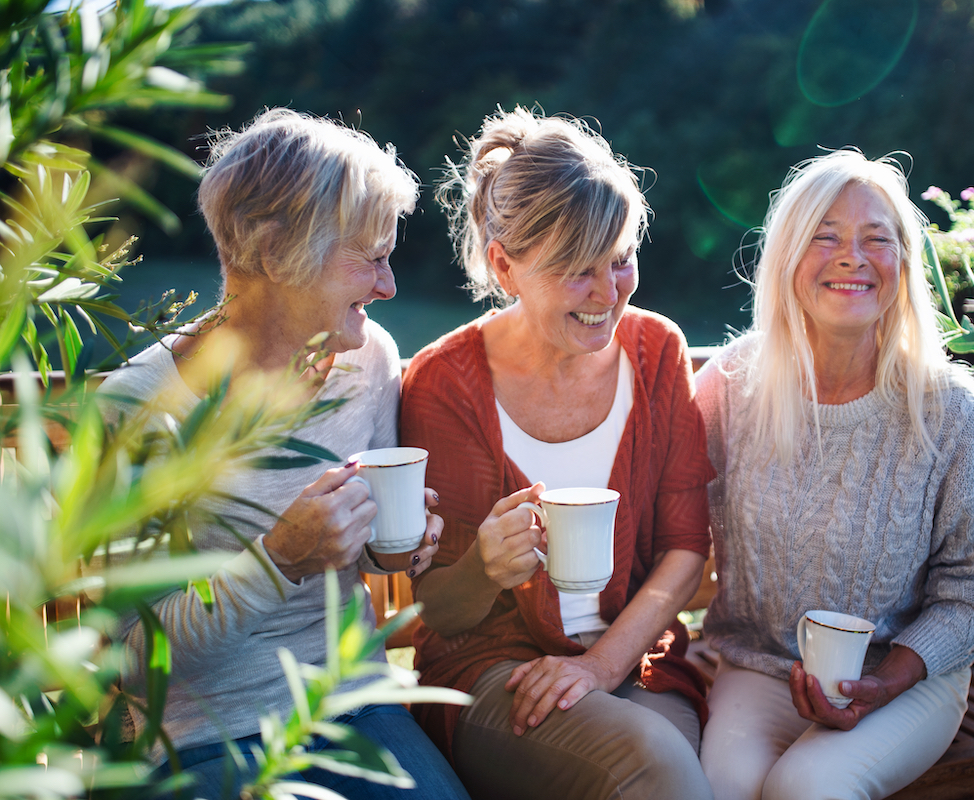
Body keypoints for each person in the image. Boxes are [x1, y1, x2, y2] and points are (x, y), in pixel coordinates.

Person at [100, 109, 468, 799]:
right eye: (370, 258)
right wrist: (278, 562)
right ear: (272, 253)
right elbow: (134, 663)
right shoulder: (138, 409)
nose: (388, 287)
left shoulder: (368, 360)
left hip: (348, 702)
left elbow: (372, 561)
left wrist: (396, 546)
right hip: (200, 737)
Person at [400, 107, 715, 800]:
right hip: (490, 674)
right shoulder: (444, 383)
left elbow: (685, 551)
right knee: (656, 769)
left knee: (678, 770)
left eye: (622, 259)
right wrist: (484, 567)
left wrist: (600, 667)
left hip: (635, 664)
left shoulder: (658, 350)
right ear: (505, 266)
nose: (609, 296)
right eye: (579, 271)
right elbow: (443, 613)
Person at [695, 149, 974, 800]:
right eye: (826, 237)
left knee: (808, 788)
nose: (853, 256)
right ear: (787, 256)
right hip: (758, 666)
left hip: (909, 678)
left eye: (878, 239)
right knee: (717, 788)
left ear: (904, 265)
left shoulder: (949, 412)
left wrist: (889, 681)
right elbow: (663, 520)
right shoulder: (731, 385)